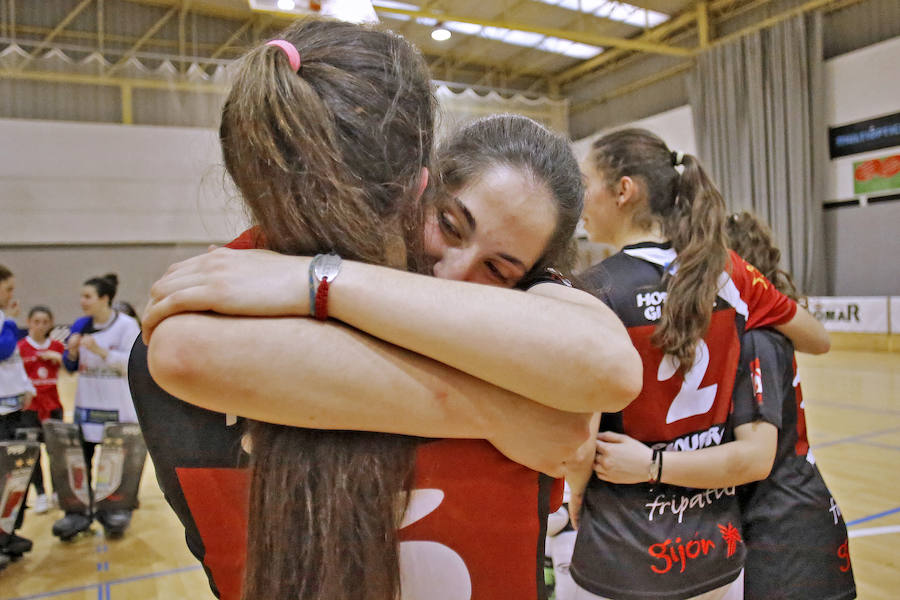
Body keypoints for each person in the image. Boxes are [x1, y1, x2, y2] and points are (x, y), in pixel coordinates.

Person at [130, 20, 641, 600]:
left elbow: (611, 369)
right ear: (419, 188)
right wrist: (510, 413)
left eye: (499, 268)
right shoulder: (233, 290)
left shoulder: (531, 310)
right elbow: (178, 353)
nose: (454, 275)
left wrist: (321, 282)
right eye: (449, 225)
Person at [569, 128, 830, 600]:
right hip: (717, 549)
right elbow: (815, 337)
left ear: (624, 191)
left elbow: (578, 445)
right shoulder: (728, 273)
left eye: (585, 182)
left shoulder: (591, 290)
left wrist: (573, 493)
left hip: (622, 551)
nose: (578, 197)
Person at [725, 212, 856, 600]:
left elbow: (756, 458)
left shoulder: (755, 339)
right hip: (794, 514)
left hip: (786, 532)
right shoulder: (762, 331)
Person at [57, 273, 141, 539]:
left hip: (116, 411)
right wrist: (70, 354)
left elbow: (134, 364)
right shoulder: (81, 326)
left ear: (105, 298)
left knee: (116, 465)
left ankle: (114, 510)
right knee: (80, 463)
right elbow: (71, 368)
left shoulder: (127, 326)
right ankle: (79, 512)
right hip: (86, 408)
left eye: (87, 296)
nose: (82, 301)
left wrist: (102, 352)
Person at [0, 265, 37, 563]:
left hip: (12, 409)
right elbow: (3, 349)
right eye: (8, 288)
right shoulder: (5, 322)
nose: (13, 294)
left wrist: (26, 387)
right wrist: (12, 322)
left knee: (14, 474)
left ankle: (7, 532)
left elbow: (13, 361)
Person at [17, 306, 65, 514]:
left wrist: (59, 359)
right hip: (30, 409)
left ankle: (57, 492)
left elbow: (70, 367)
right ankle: (41, 494)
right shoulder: (19, 347)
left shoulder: (56, 347)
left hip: (53, 406)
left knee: (56, 452)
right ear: (29, 322)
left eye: (45, 322)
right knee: (33, 453)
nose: (41, 326)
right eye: (36, 321)